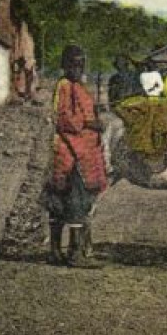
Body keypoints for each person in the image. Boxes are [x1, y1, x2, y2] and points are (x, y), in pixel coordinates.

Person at [41, 45, 108, 268]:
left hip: (80, 150)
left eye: (80, 65)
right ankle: (74, 253)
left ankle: (56, 252)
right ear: (64, 65)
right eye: (73, 64)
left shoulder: (77, 87)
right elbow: (65, 119)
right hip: (71, 153)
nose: (77, 69)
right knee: (74, 202)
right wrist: (91, 123)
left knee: (63, 202)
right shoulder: (64, 87)